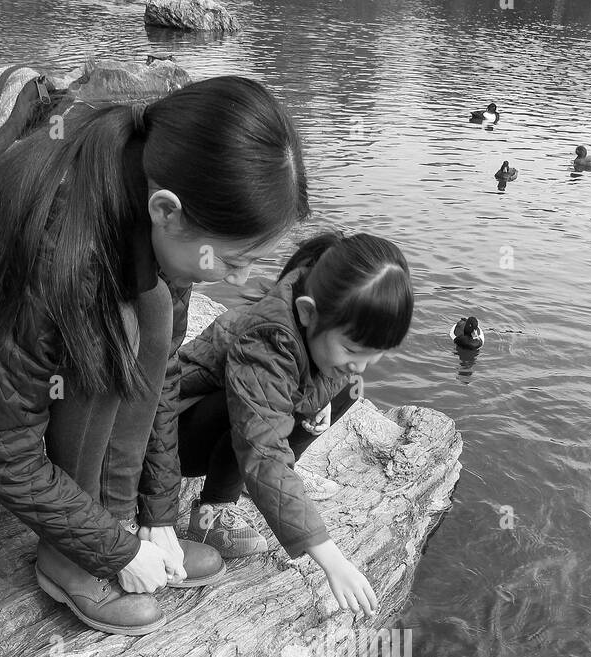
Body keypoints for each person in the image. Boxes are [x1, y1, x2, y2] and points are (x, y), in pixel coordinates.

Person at [0, 76, 309, 634]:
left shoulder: (139, 173)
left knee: (145, 315)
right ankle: (68, 557)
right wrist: (112, 552)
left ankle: (113, 517)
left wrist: (155, 518)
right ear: (167, 210)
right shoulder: (52, 241)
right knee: (105, 326)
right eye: (231, 261)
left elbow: (164, 367)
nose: (242, 280)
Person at [177, 231, 414, 618]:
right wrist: (330, 557)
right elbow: (262, 447)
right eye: (354, 349)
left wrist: (319, 398)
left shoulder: (321, 315)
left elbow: (331, 372)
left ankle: (279, 486)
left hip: (245, 417)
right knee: (252, 420)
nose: (362, 363)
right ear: (307, 312)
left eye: (377, 354)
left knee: (349, 386)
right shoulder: (267, 339)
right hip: (179, 430)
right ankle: (212, 514)